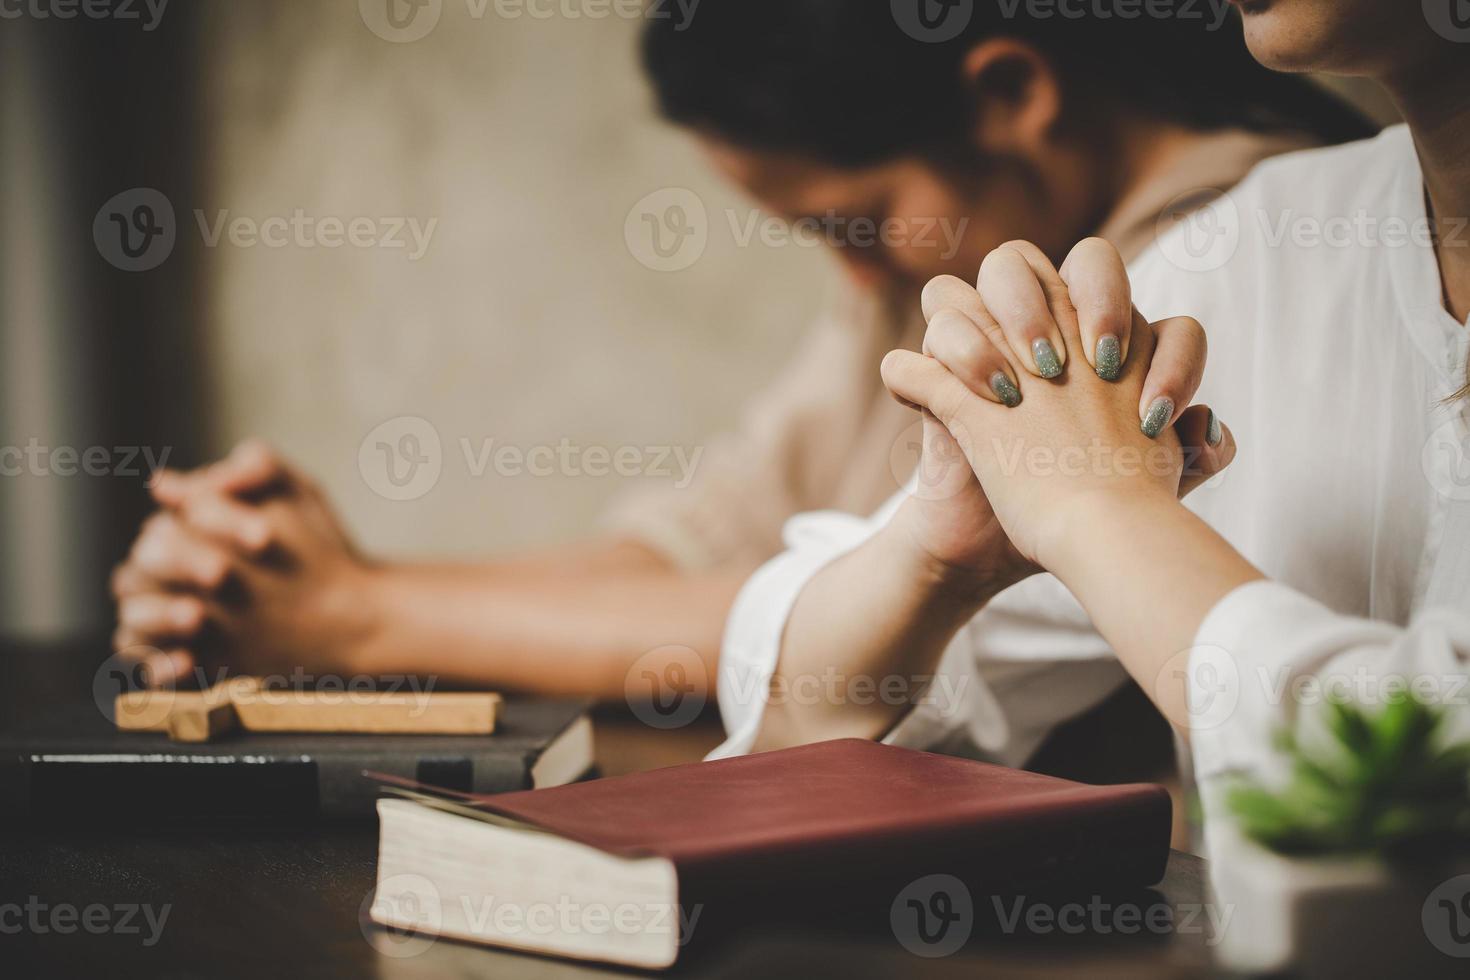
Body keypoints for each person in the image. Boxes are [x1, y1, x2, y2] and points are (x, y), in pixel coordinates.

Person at [109, 3, 1370, 701]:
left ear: (1010, 93)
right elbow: (711, 540)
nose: (854, 275)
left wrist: (354, 617)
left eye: (857, 221)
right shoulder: (941, 258)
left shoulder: (1199, 270)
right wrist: (302, 575)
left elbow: (855, 619)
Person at [722, 0, 1470, 854]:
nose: (853, 275)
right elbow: (800, 704)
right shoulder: (1259, 246)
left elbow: (1424, 793)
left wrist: (1102, 512)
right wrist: (938, 557)